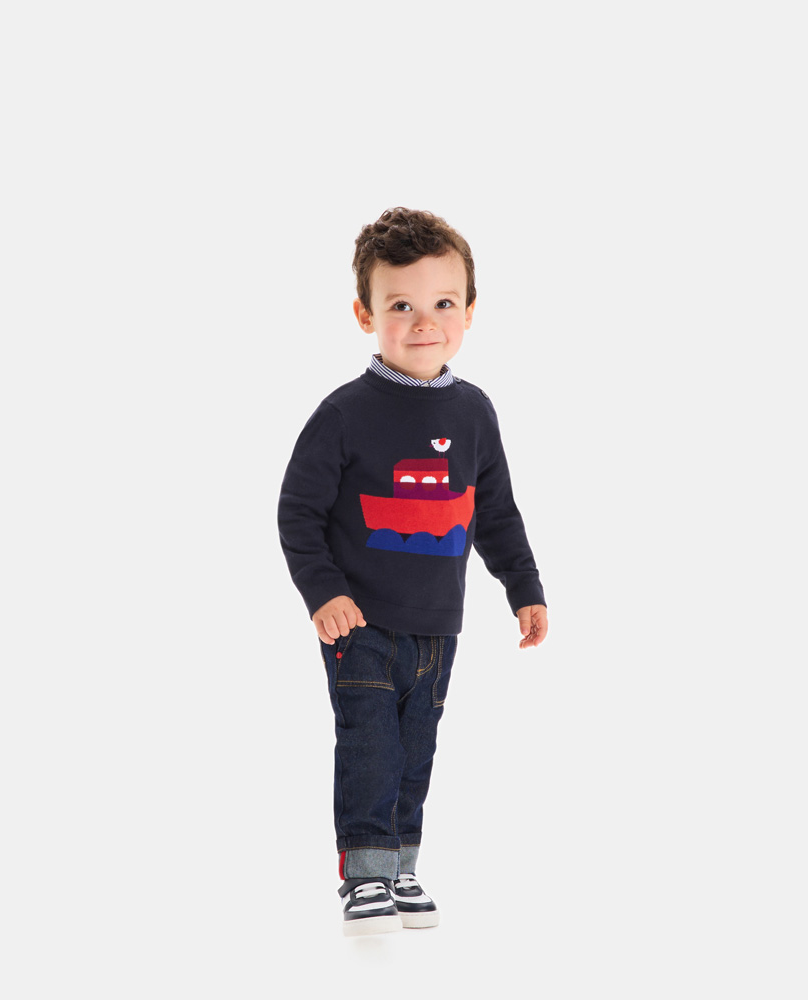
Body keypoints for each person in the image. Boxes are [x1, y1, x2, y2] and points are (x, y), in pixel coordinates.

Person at [277, 207, 548, 936]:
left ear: (470, 311)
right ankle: (364, 874)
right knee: (370, 745)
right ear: (366, 315)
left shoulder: (475, 412)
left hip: (437, 626)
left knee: (416, 749)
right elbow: (297, 512)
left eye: (443, 303)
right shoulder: (345, 413)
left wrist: (524, 589)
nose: (424, 322)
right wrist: (324, 593)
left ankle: (401, 863)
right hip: (360, 623)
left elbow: (496, 512)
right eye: (401, 306)